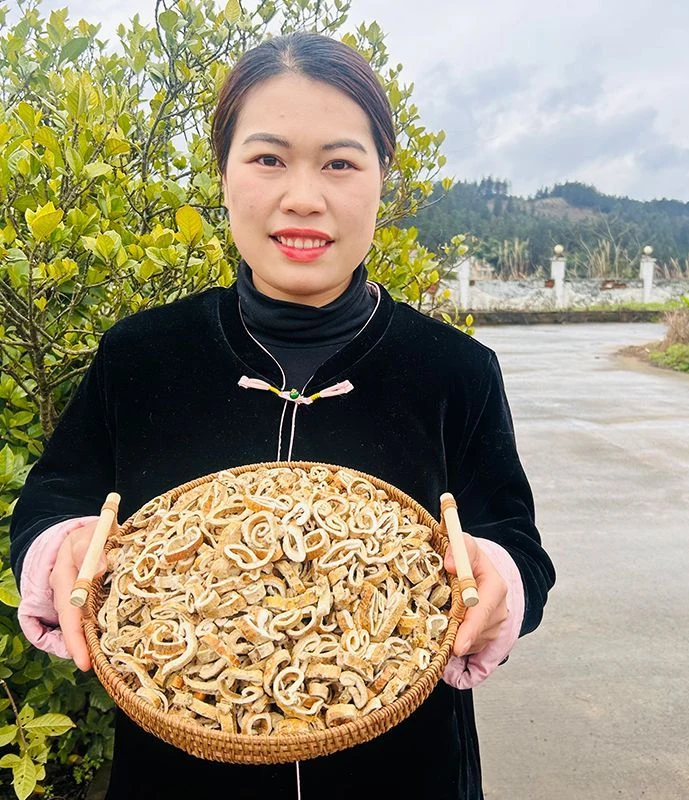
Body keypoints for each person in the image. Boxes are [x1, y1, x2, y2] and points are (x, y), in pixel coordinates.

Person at [10, 32, 555, 800]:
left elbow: (517, 545)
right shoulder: (142, 356)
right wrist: (60, 550)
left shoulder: (454, 370)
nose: (304, 196)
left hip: (409, 772)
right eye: (268, 158)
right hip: (176, 775)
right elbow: (52, 504)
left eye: (339, 162)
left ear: (381, 181)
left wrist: (496, 582)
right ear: (224, 175)